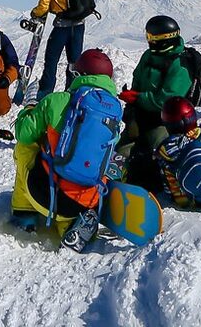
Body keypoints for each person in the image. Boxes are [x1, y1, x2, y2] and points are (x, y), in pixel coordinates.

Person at [10, 48, 123, 250]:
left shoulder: (58, 100)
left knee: (26, 146)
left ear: (79, 75)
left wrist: (28, 109)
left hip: (43, 195)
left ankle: (24, 214)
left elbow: (23, 133)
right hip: (81, 204)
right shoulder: (115, 110)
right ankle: (72, 224)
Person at [118, 15, 200, 193]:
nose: (149, 42)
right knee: (121, 153)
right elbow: (137, 80)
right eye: (148, 37)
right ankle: (115, 181)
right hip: (142, 115)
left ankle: (165, 184)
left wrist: (137, 98)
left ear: (163, 39)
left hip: (166, 121)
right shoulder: (148, 56)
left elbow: (166, 100)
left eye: (152, 38)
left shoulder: (180, 64)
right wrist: (132, 109)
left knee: (160, 156)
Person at [23, 0, 96, 99]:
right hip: (79, 25)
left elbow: (43, 8)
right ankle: (72, 92)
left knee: (51, 59)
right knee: (74, 61)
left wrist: (34, 14)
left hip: (62, 26)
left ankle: (45, 92)